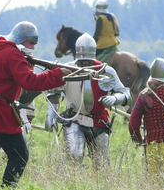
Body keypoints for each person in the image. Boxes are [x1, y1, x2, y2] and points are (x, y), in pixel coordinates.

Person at [0, 22, 70, 187]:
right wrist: (57, 75)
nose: (33, 47)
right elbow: (29, 81)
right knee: (20, 154)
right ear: (21, 39)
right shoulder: (12, 53)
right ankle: (7, 189)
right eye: (31, 43)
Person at [46, 33, 130, 168]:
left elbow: (126, 94)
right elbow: (54, 92)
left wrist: (114, 98)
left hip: (99, 121)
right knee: (74, 155)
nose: (85, 63)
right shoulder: (66, 69)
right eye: (82, 60)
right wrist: (50, 115)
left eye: (88, 60)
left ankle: (100, 188)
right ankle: (74, 186)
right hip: (74, 119)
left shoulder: (106, 71)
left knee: (102, 163)